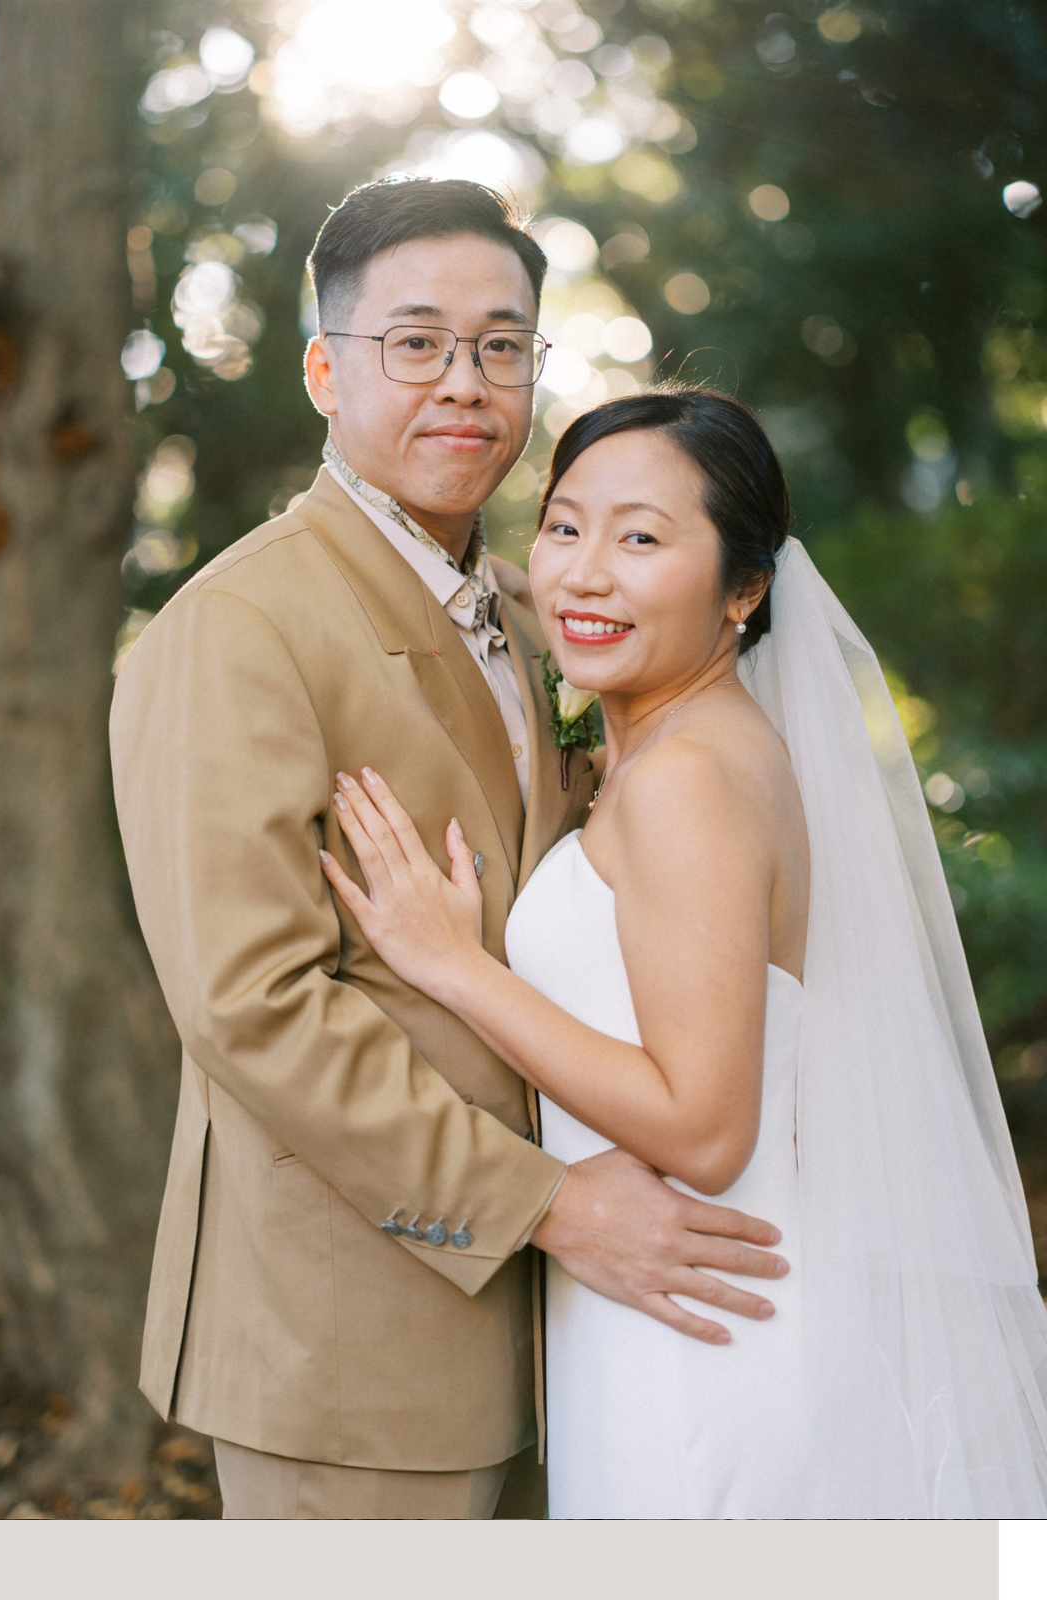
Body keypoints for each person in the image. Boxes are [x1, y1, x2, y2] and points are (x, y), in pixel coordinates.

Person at [109, 180, 787, 1521]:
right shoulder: (238, 628)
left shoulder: (538, 615)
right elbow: (252, 1007)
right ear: (323, 368)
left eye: (499, 346)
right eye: (414, 342)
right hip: (352, 1346)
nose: (463, 384)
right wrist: (544, 1204)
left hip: (569, 1340)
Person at [322, 385, 1047, 1518]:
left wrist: (456, 965)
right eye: (566, 525)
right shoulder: (698, 744)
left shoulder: (689, 781)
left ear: (745, 589)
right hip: (686, 1297)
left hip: (705, 1333)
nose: (586, 572)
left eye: (644, 538)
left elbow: (706, 1128)